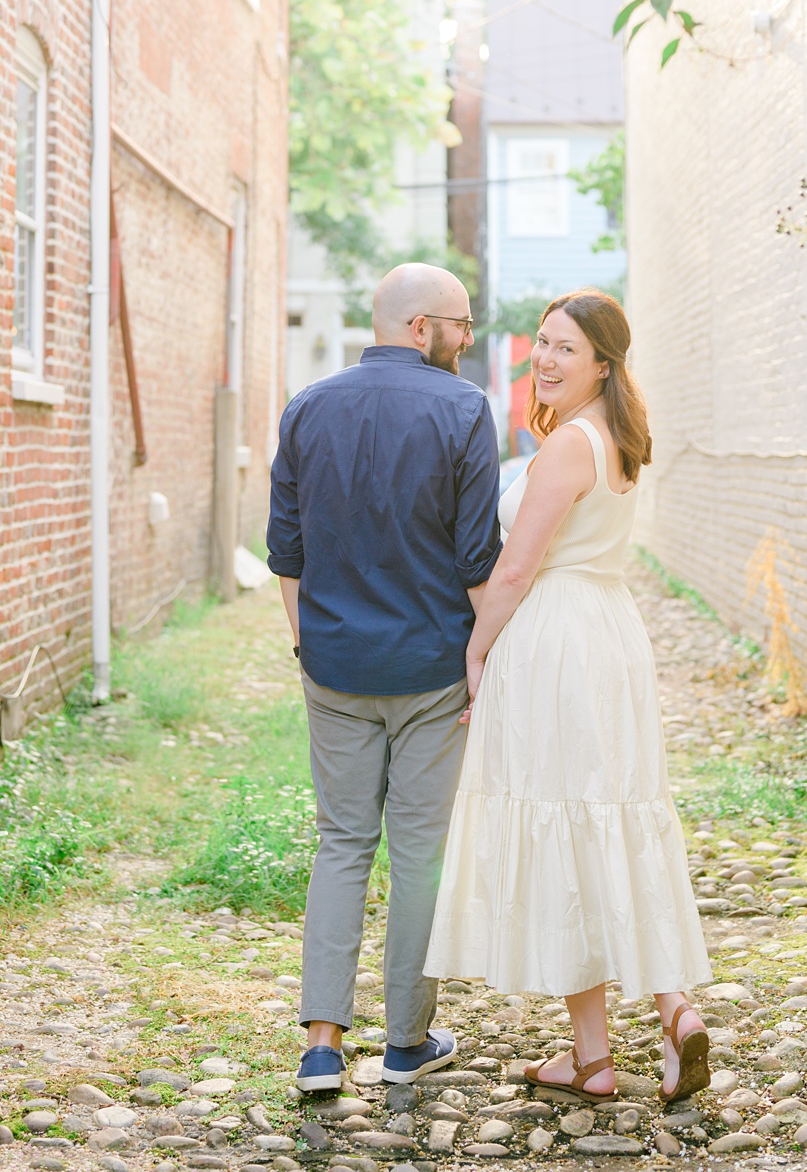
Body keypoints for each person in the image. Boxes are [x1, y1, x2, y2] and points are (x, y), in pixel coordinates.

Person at [423, 289, 715, 1104]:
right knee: (607, 816)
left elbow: (515, 569)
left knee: (563, 821)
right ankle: (666, 1013)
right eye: (541, 344)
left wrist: (477, 652)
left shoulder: (565, 449)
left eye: (564, 350)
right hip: (609, 632)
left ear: (602, 364)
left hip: (555, 637)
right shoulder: (620, 438)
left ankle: (601, 1052)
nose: (544, 360)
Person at [266, 261, 498, 1094]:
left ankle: (322, 1046)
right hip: (434, 667)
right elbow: (478, 559)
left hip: (333, 667)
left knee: (341, 845)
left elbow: (285, 553)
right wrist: (487, 655)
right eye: (461, 324)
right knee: (419, 852)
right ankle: (406, 1042)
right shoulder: (466, 411)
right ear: (418, 326)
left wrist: (310, 645)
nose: (467, 339)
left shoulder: (306, 408)